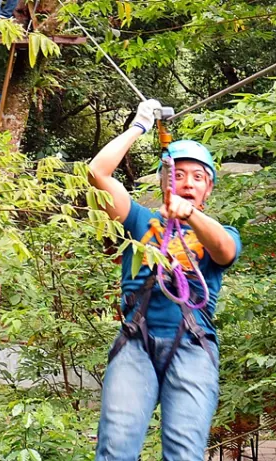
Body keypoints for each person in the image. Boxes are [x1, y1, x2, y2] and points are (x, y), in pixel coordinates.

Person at [88, 99, 241, 460]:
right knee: (115, 449)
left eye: (198, 177)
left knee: (184, 453)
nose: (188, 183)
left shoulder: (219, 233)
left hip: (191, 344)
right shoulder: (139, 221)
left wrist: (190, 216)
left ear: (208, 190)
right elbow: (97, 174)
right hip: (135, 342)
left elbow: (224, 251)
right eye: (179, 174)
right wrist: (138, 126)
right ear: (163, 181)